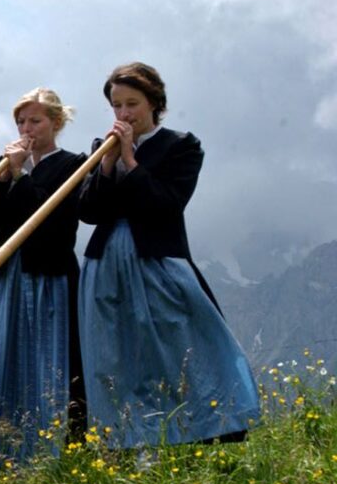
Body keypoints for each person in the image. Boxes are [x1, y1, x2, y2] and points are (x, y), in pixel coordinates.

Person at [78, 62, 258, 452]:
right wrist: (106, 165)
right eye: (116, 106)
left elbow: (167, 205)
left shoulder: (181, 146)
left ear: (154, 103)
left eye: (132, 104)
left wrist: (130, 160)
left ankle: (204, 432)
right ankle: (130, 442)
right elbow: (89, 212)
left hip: (158, 261)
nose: (124, 115)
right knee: (116, 355)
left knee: (181, 344)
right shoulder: (99, 150)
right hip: (106, 265)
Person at [0, 88, 88, 474]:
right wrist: (3, 177)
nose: (26, 128)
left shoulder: (72, 164)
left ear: (56, 122)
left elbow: (53, 223)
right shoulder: (7, 167)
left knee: (48, 363)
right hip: (7, 280)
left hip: (46, 277)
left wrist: (19, 175)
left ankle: (54, 457)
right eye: (21, 121)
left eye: (35, 121)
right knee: (1, 362)